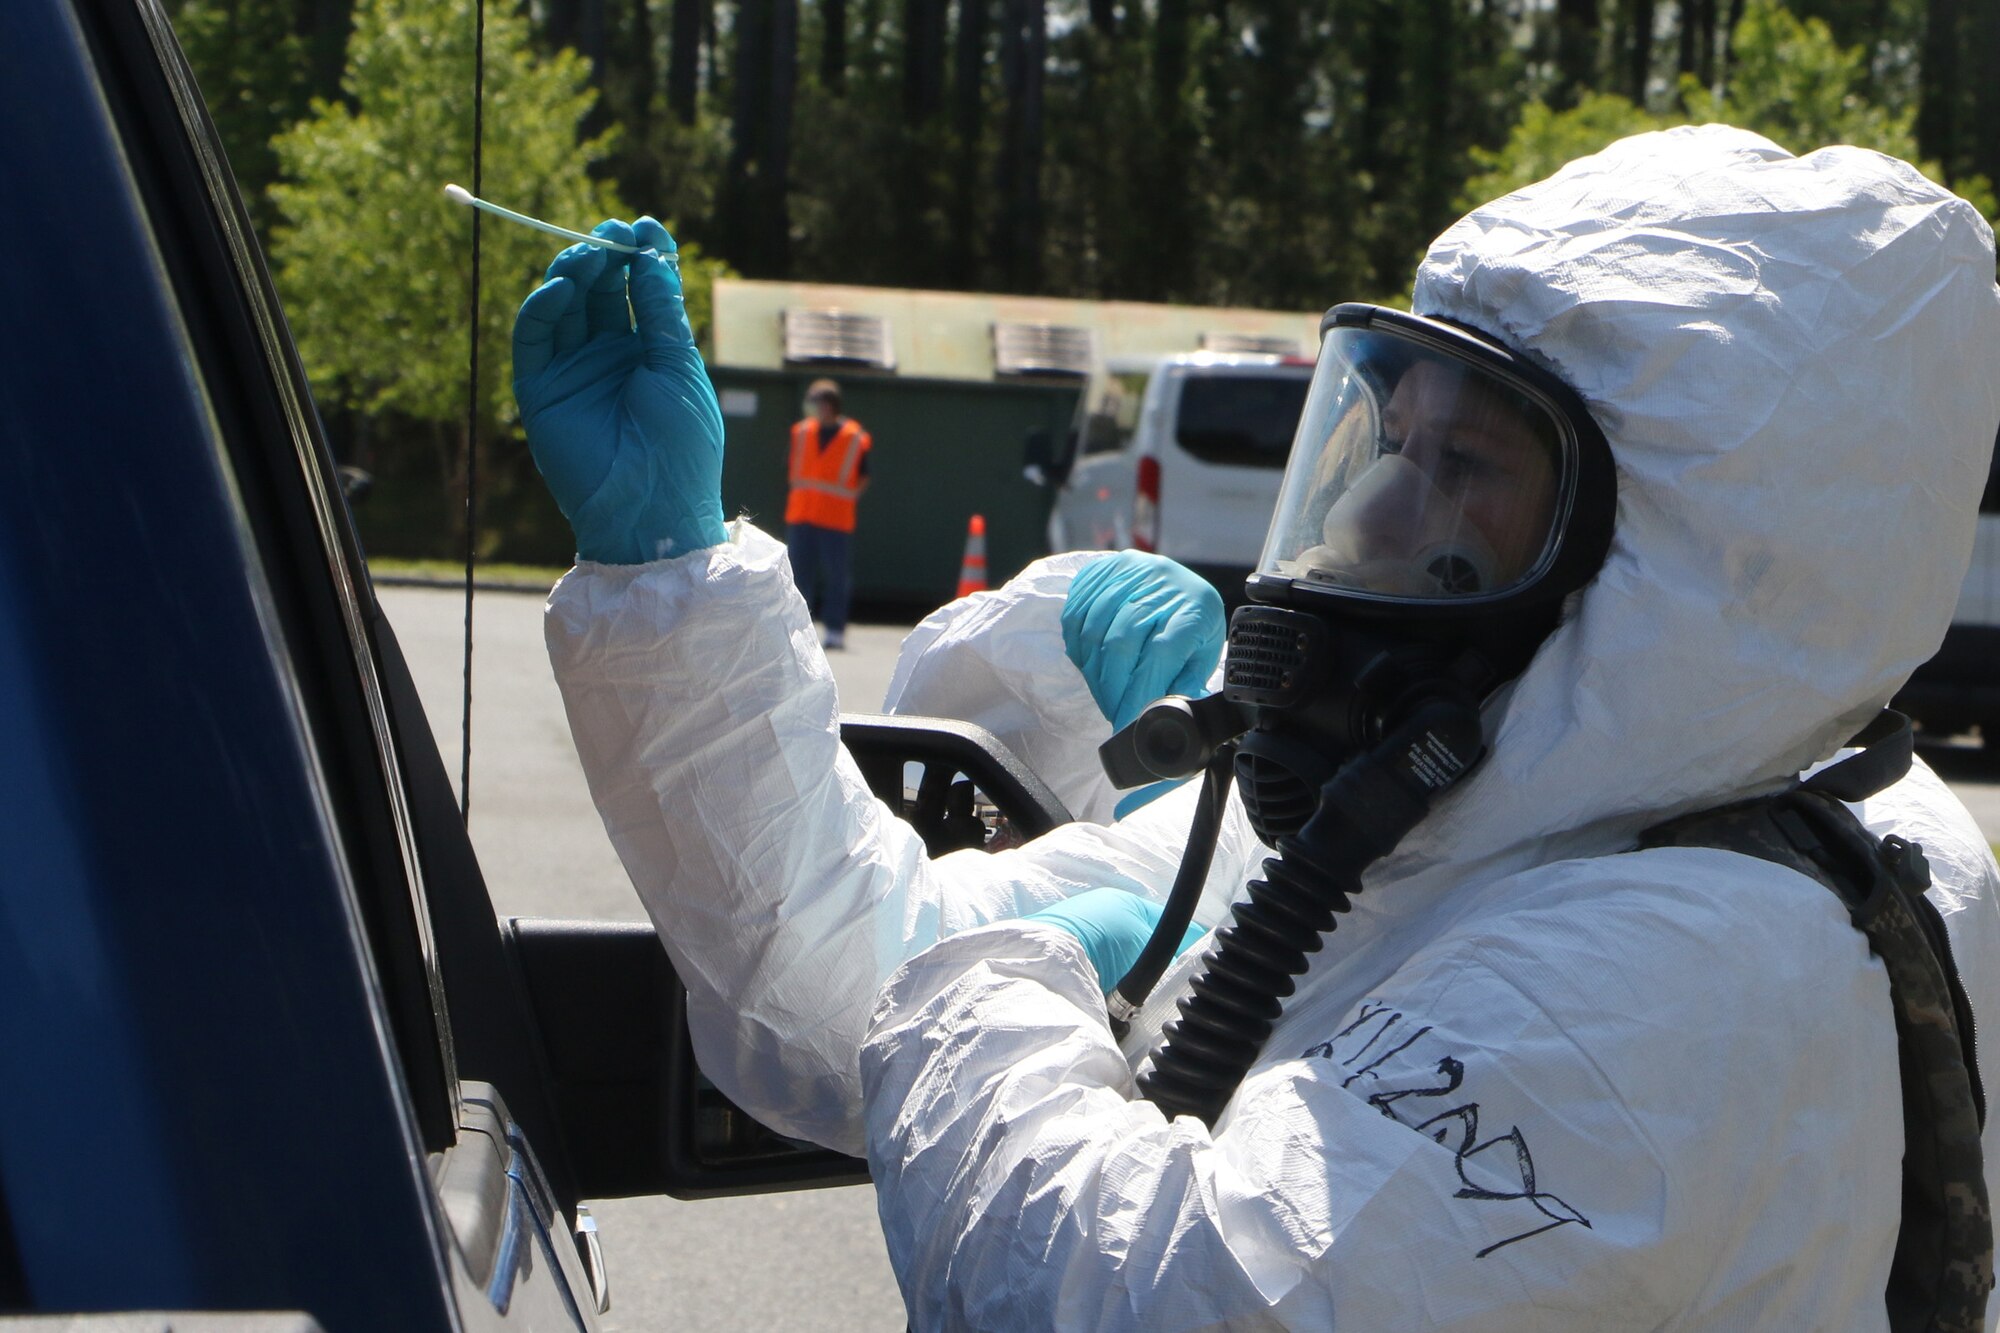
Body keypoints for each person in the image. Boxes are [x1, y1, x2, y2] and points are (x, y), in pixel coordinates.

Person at [512, 126, 2000, 1328]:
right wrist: (675, 585)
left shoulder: (1684, 966)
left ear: (1672, 566)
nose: (1369, 515)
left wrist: (997, 994)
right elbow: (839, 996)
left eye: (1464, 465)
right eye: (1386, 436)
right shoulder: (1503, 811)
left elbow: (1151, 1298)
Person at [784, 377, 871, 650]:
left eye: (816, 403)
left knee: (837, 577)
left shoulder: (855, 438)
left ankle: (835, 630)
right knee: (799, 575)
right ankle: (798, 629)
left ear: (830, 406)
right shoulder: (800, 432)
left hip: (835, 519)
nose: (811, 408)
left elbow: (863, 477)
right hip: (801, 516)